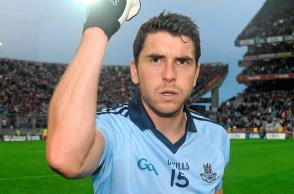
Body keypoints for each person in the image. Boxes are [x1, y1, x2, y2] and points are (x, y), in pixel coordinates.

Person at [46, 0, 230, 193]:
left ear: (196, 74)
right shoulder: (114, 129)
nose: (169, 75)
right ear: (135, 71)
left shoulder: (216, 136)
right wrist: (97, 29)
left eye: (182, 61)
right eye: (156, 60)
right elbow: (64, 158)